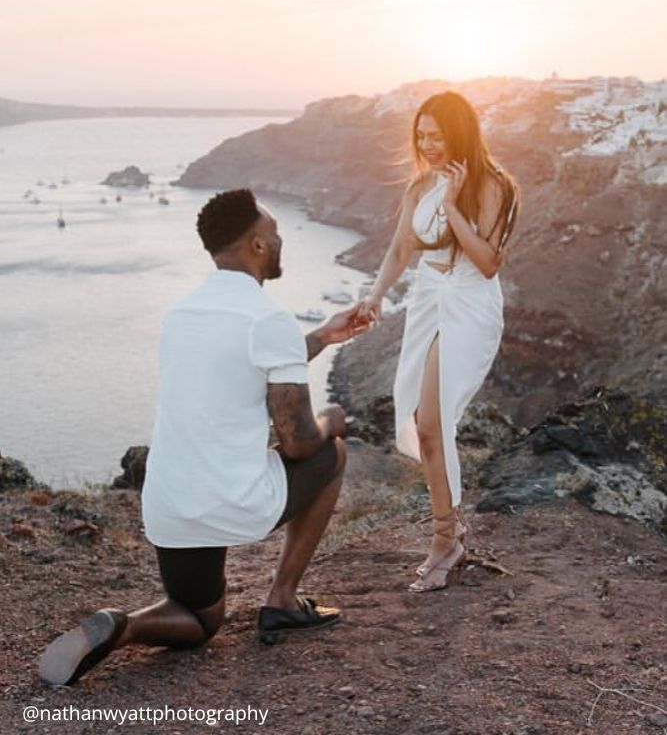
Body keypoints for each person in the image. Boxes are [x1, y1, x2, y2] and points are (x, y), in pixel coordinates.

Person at [39, 188, 368, 686]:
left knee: (197, 620)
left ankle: (123, 626)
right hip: (234, 500)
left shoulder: (183, 312)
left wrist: (322, 336)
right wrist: (333, 419)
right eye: (275, 234)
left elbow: (244, 367)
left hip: (171, 502)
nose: (280, 243)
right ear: (257, 245)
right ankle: (281, 601)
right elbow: (299, 441)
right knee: (333, 453)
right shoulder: (267, 317)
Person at [359, 92, 519, 591]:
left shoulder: (493, 185)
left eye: (436, 135)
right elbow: (402, 246)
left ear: (460, 133)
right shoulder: (419, 184)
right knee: (420, 419)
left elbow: (489, 262)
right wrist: (376, 295)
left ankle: (445, 541)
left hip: (470, 304)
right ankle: (450, 533)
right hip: (427, 300)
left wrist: (452, 205)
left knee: (432, 422)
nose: (427, 145)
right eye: (421, 135)